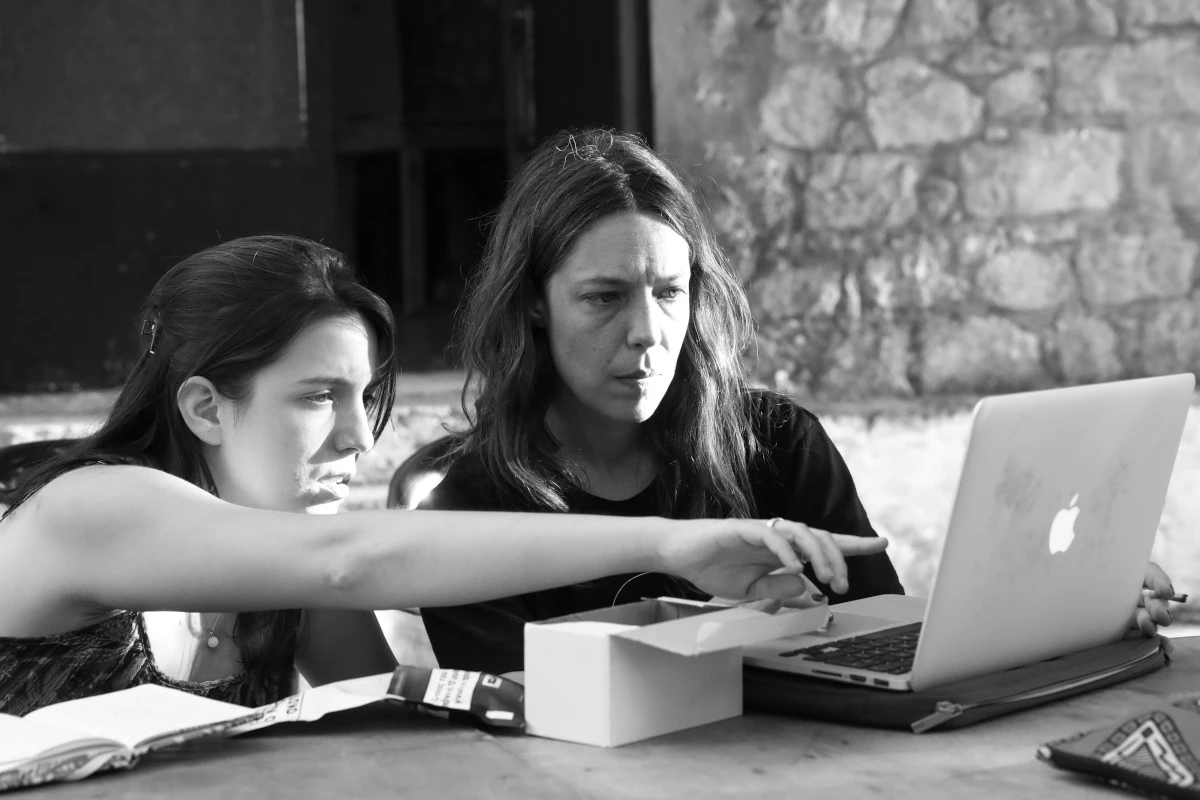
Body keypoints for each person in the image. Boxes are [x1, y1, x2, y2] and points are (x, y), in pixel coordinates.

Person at [0, 234, 882, 717]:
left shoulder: (295, 556)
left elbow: (382, 719)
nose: (358, 435)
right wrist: (665, 543)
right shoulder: (89, 506)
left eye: (363, 396)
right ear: (204, 407)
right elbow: (358, 563)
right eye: (317, 397)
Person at [417, 129, 1178, 675]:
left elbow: (890, 640)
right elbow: (525, 732)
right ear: (534, 303)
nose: (647, 332)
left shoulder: (775, 444)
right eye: (604, 297)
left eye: (670, 293)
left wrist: (1063, 616)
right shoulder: (471, 518)